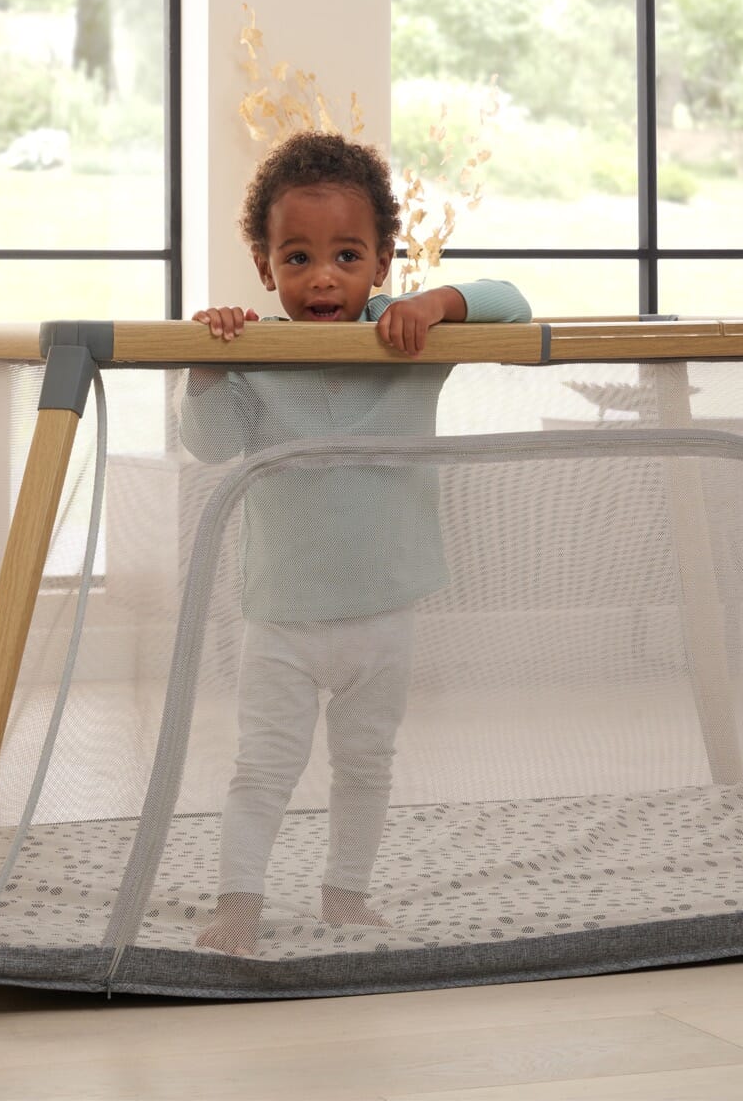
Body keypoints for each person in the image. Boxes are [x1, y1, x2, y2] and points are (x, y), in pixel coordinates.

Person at [180, 130, 531, 955]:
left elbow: (512, 300)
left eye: (346, 255)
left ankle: (346, 894)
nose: (323, 276)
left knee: (366, 764)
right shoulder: (258, 350)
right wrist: (208, 362)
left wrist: (438, 304)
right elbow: (210, 443)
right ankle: (238, 907)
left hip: (386, 611)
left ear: (381, 262)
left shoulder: (408, 340)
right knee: (263, 770)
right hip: (284, 619)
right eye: (297, 258)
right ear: (266, 268)